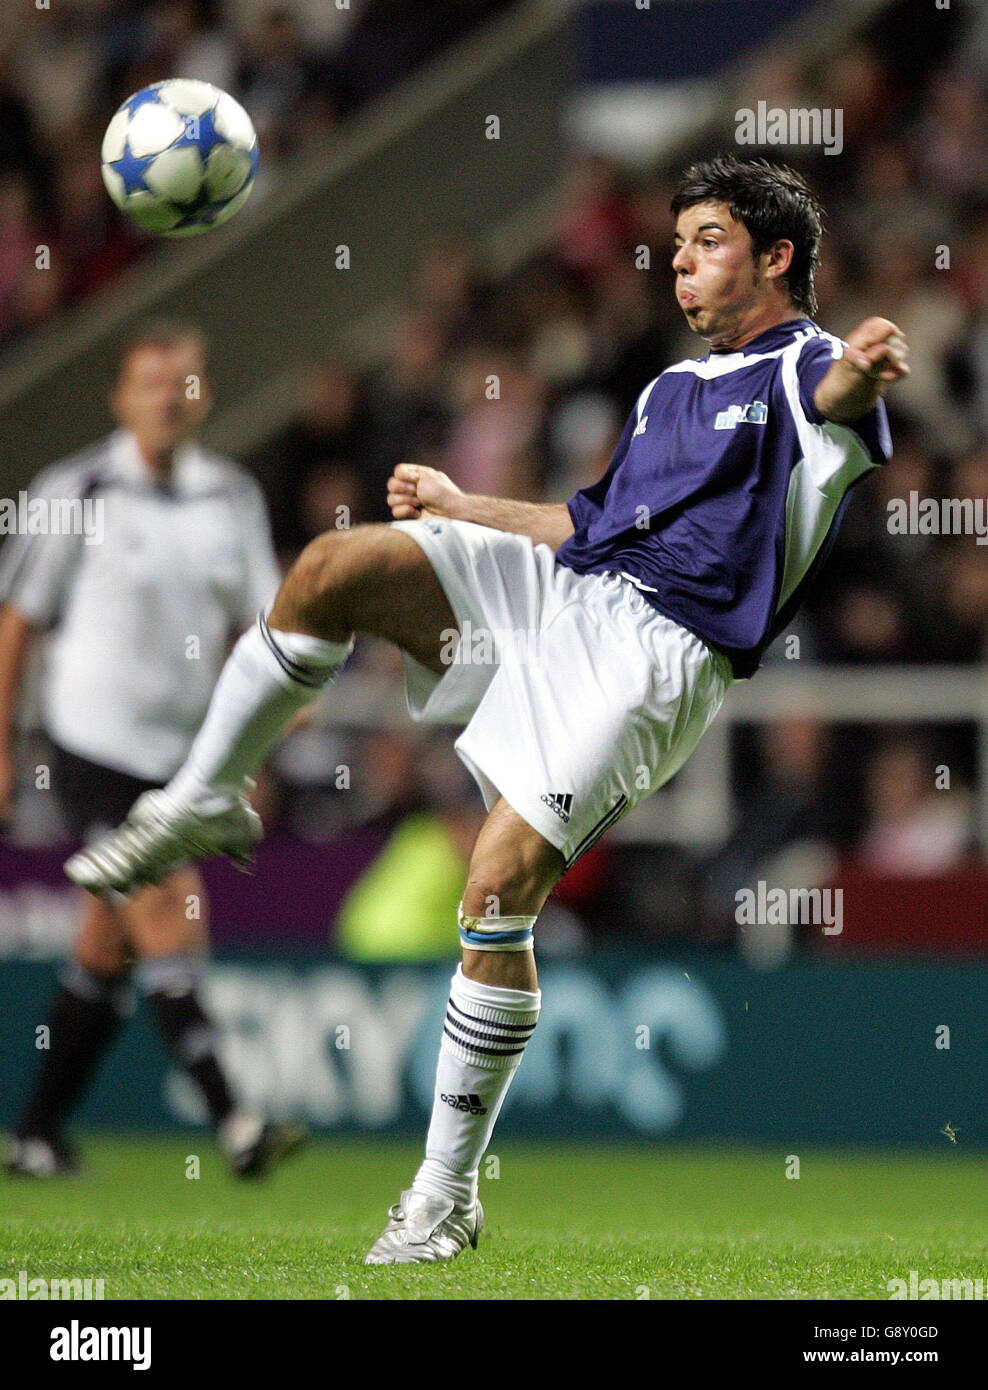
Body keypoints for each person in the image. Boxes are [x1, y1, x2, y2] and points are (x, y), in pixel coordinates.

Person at [64, 156, 909, 1259]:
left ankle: (444, 1190)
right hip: (568, 589)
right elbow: (590, 526)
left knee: (496, 883)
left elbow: (838, 393)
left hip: (657, 654)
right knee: (332, 567)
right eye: (676, 242)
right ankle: (205, 795)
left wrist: (865, 370)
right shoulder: (667, 390)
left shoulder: (802, 370)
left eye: (705, 240)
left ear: (775, 257)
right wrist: (467, 508)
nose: (679, 262)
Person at [0, 319, 304, 1178]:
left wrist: (267, 741)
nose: (170, 398)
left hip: (183, 755)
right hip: (89, 748)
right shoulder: (77, 487)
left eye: (185, 383)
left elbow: (263, 627)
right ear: (121, 399)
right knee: (170, 911)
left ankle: (34, 1135)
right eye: (152, 384)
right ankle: (235, 1121)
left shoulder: (231, 497)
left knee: (106, 946)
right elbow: (16, 623)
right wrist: (3, 749)